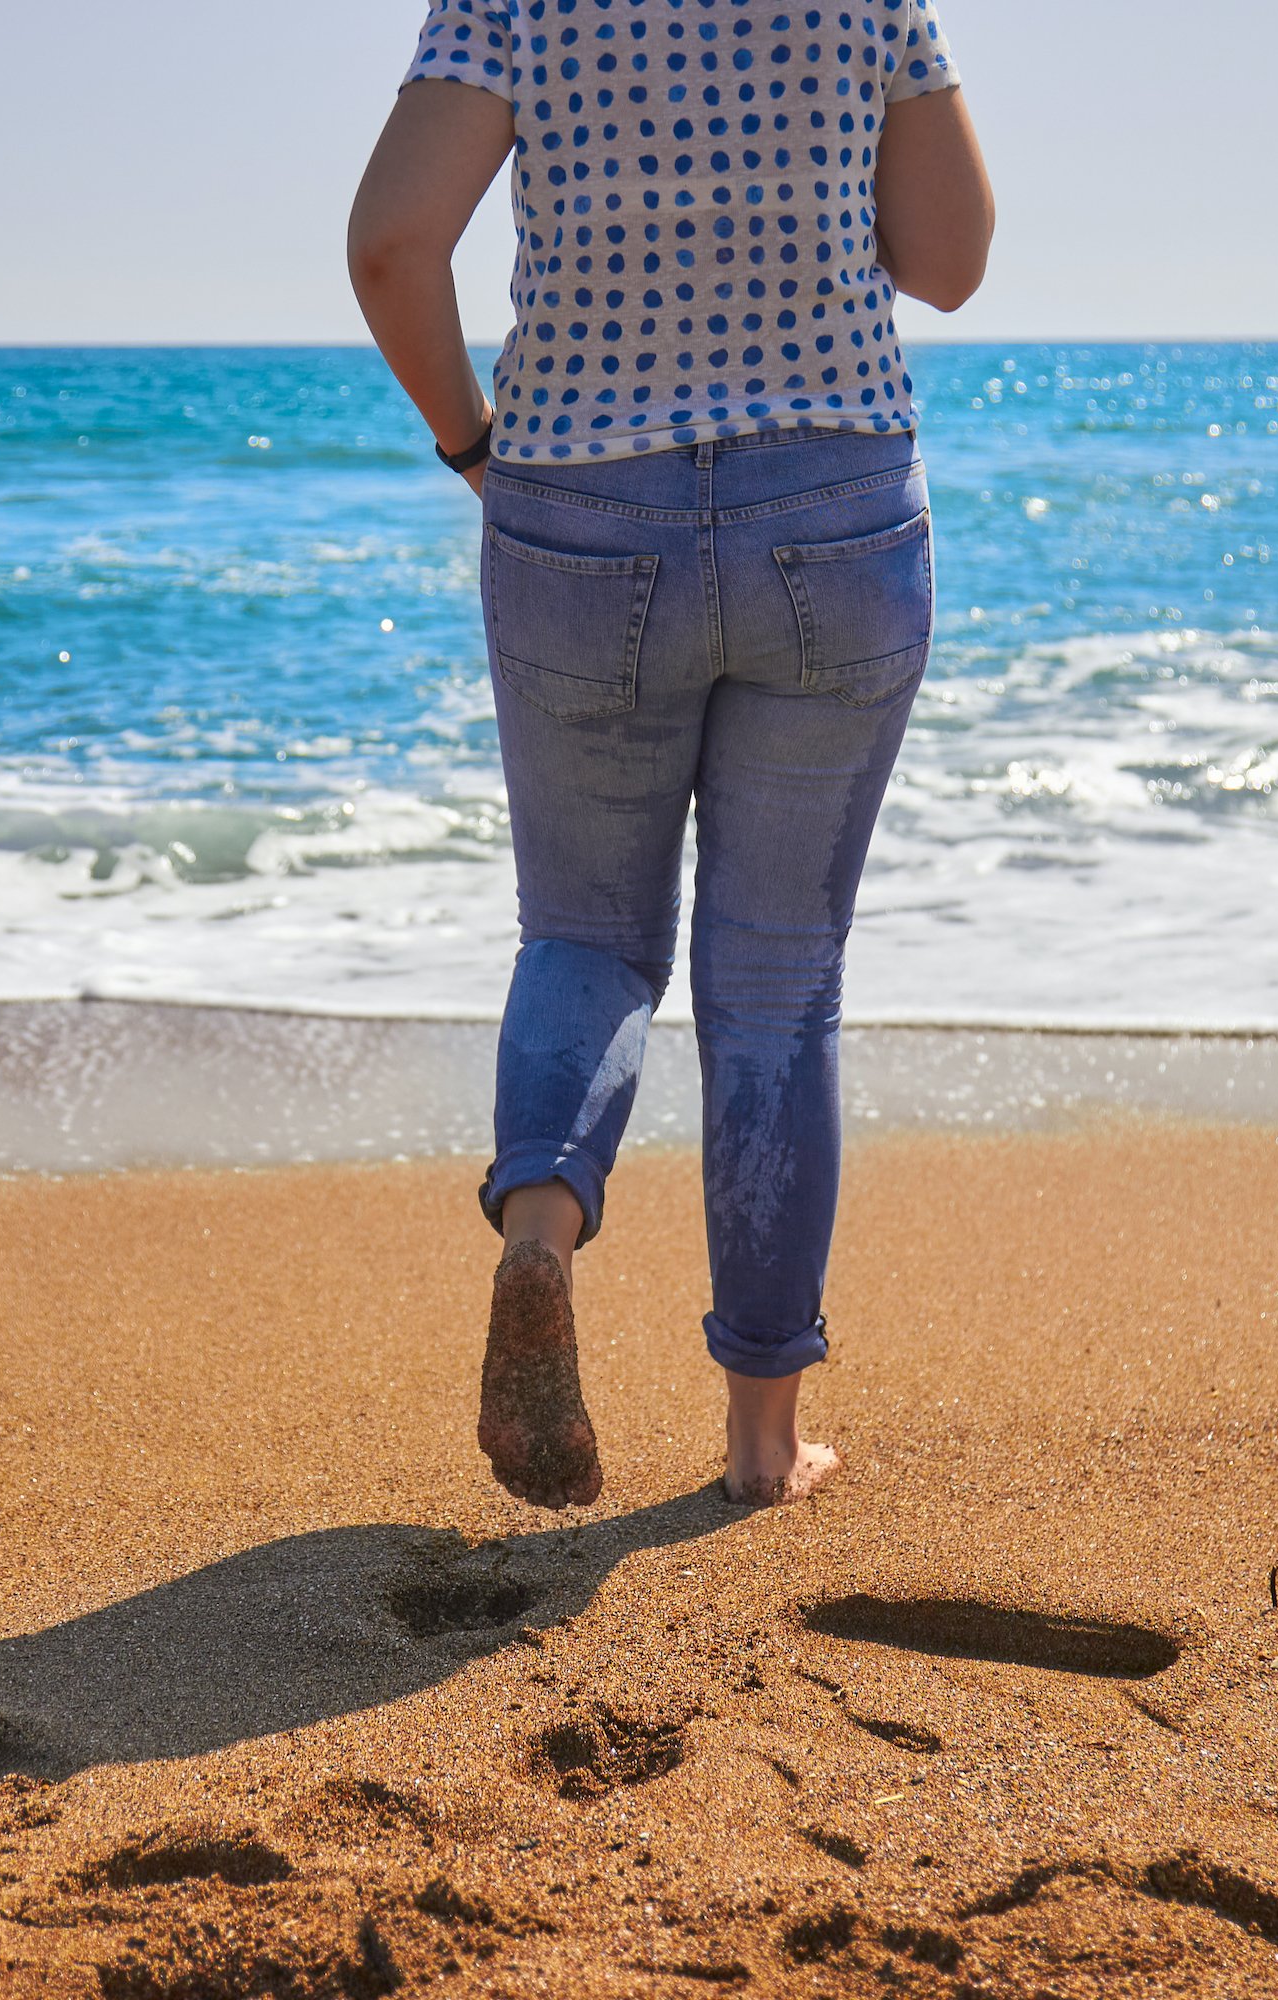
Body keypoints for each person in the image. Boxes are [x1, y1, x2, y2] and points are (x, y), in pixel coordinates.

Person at [347, 0, 992, 1509]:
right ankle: (762, 1448)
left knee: (586, 935)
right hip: (833, 516)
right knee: (776, 981)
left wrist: (469, 441)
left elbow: (390, 247)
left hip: (579, 505)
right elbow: (951, 265)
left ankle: (539, 1233)